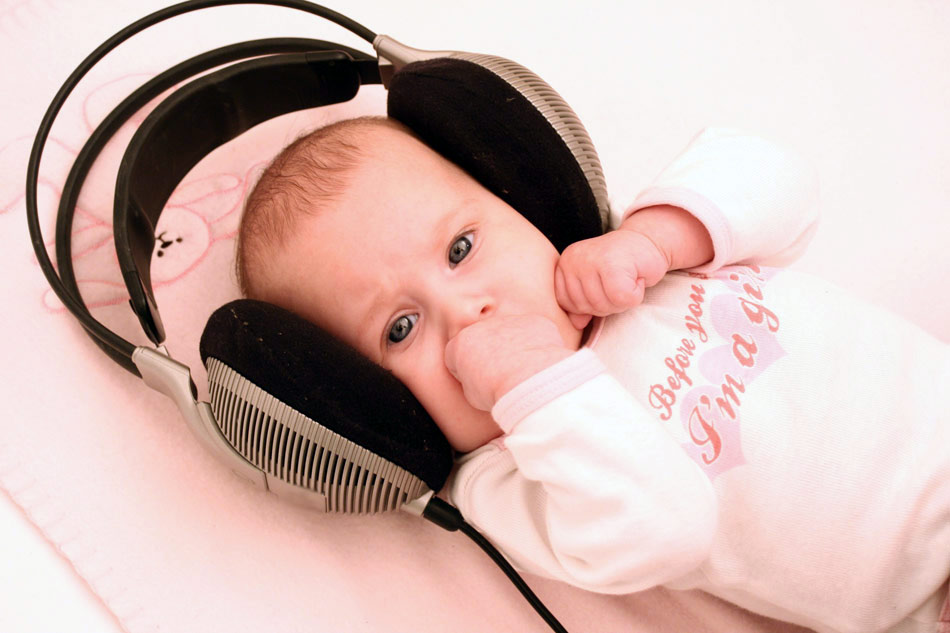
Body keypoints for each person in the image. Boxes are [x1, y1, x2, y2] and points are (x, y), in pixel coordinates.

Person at [236, 115, 950, 633]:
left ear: (520, 198)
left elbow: (782, 180)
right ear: (371, 404)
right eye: (401, 328)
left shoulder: (624, 258)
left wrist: (657, 236)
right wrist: (534, 384)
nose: (466, 310)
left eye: (460, 248)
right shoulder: (508, 475)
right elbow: (666, 530)